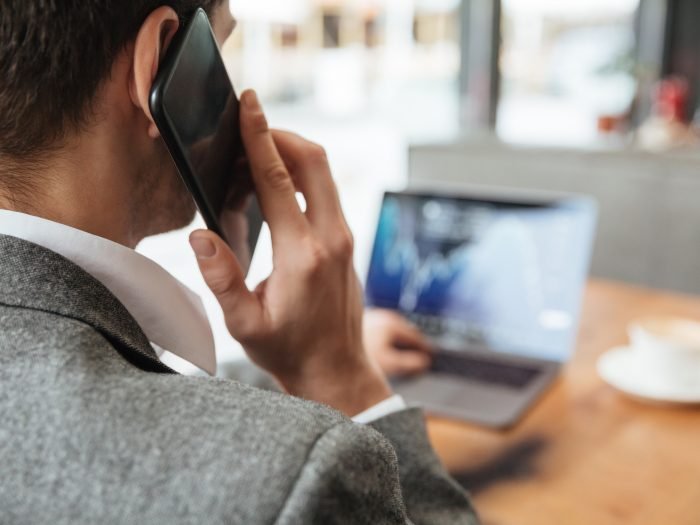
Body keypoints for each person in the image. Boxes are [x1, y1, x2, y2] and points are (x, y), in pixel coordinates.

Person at [0, 1, 478, 523]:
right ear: (157, 61)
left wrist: (271, 369)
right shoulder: (299, 475)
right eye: (220, 52)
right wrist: (338, 375)